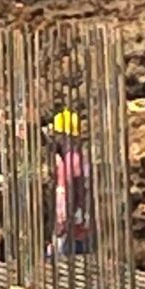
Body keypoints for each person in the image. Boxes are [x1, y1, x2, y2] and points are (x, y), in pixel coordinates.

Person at [47, 106, 92, 259]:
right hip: (75, 227)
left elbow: (73, 192)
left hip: (70, 229)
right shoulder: (76, 158)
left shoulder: (72, 161)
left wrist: (64, 222)